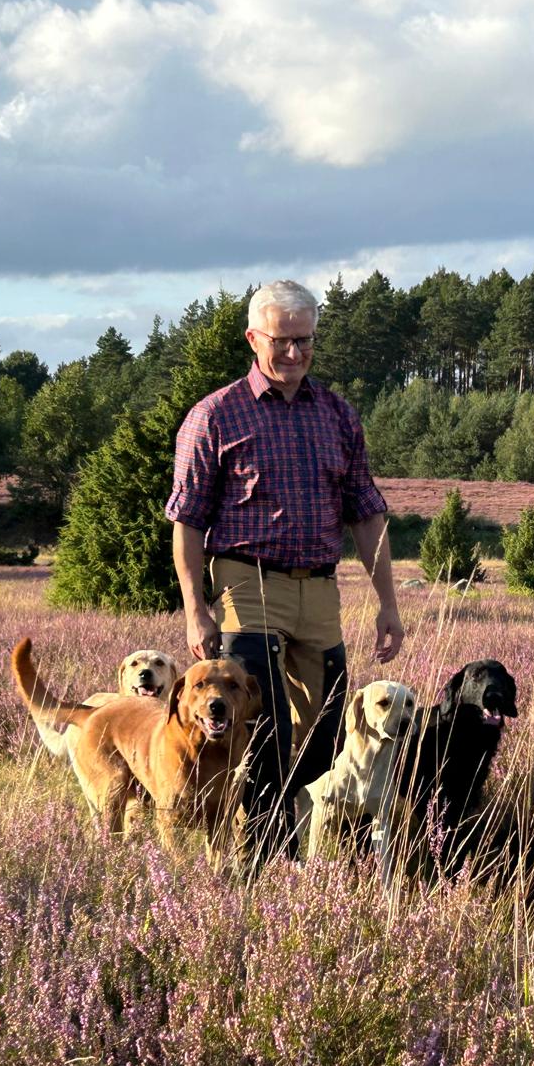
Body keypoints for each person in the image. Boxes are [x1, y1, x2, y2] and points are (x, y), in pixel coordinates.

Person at [166, 279, 404, 860]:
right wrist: (197, 609)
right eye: (282, 340)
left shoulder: (338, 415)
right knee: (262, 724)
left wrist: (389, 602)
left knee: (325, 729)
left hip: (320, 589)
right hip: (247, 585)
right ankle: (266, 857)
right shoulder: (214, 416)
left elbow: (367, 513)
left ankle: (289, 827)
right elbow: (188, 521)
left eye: (306, 341)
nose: (295, 353)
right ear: (254, 338)